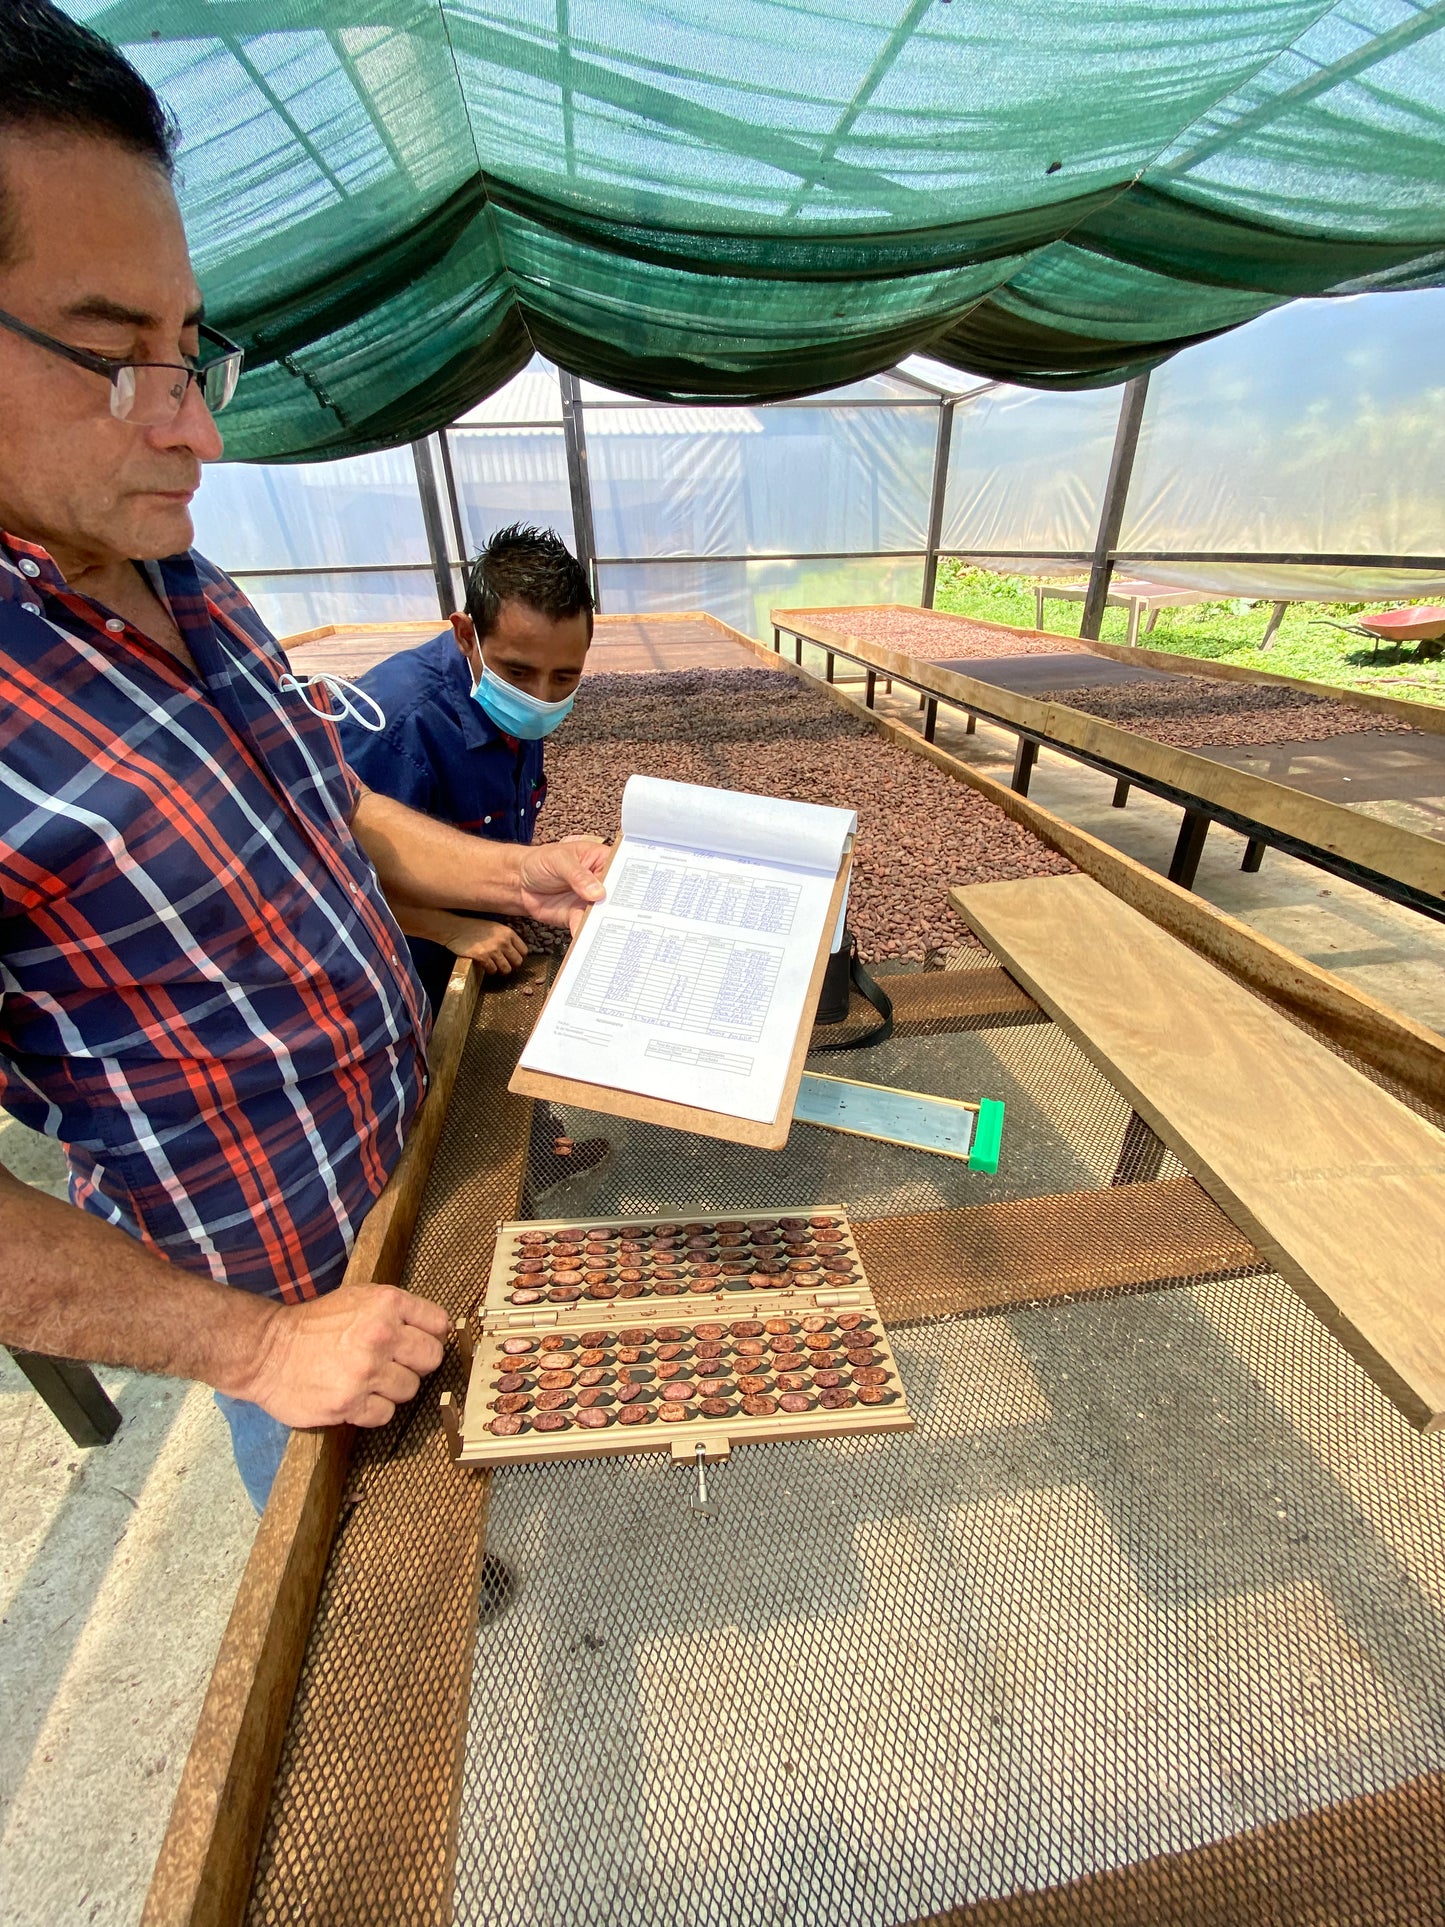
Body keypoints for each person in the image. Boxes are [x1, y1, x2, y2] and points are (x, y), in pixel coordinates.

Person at [0, 2, 606, 1510]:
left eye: (187, 347)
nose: (192, 429)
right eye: (110, 355)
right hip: (282, 1290)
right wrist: (258, 1343)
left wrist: (525, 872)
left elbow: (316, 808)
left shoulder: (171, 568)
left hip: (411, 1158)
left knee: (476, 1502)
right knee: (370, 1625)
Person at [338, 524, 592, 1011]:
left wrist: (531, 870)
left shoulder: (505, 706)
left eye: (565, 676)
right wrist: (451, 927)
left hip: (490, 927)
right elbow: (331, 875)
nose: (540, 698)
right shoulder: (393, 726)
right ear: (465, 635)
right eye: (517, 673)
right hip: (400, 970)